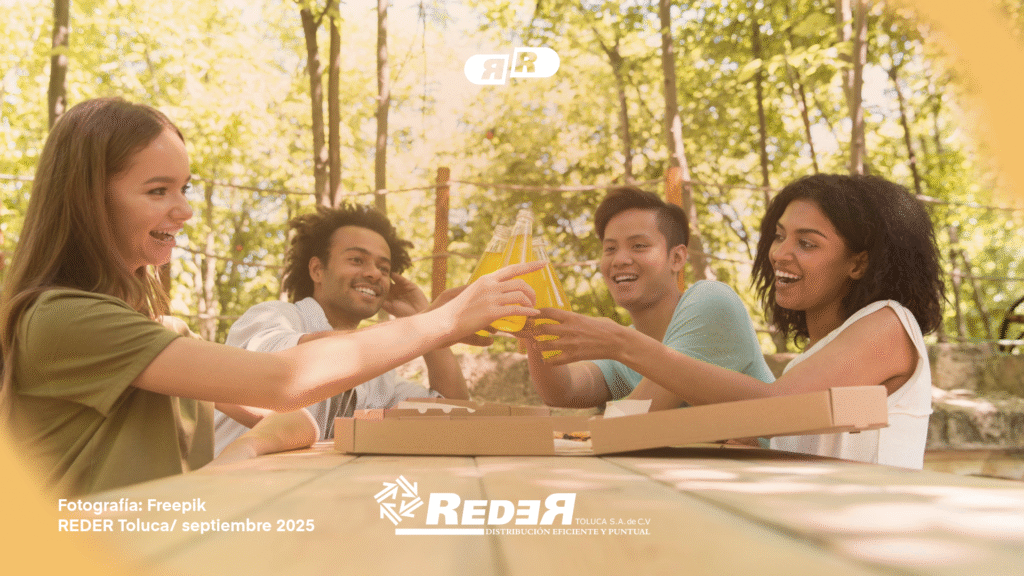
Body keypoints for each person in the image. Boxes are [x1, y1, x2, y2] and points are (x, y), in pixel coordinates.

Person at [0, 97, 542, 496]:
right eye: (158, 190)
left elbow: (293, 414)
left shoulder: (159, 332)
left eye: (184, 188)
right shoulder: (63, 320)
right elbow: (282, 381)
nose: (184, 210)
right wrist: (442, 321)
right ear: (89, 199)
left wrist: (238, 456)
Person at [531, 174, 943, 469]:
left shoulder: (889, 323)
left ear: (858, 263)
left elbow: (779, 409)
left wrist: (622, 345)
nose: (779, 253)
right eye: (779, 236)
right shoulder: (810, 361)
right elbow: (803, 431)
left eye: (806, 243)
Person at [213, 205, 470, 454]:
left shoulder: (380, 375)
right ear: (317, 270)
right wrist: (424, 326)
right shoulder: (274, 316)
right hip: (228, 478)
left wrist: (422, 316)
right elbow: (284, 366)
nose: (374, 274)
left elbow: (453, 414)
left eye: (384, 268)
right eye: (357, 260)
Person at [518, 186, 775, 411]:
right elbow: (564, 391)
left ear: (677, 258)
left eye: (639, 246)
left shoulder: (711, 300)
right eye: (610, 248)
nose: (620, 260)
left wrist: (616, 341)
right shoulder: (624, 349)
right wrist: (533, 325)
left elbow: (635, 416)